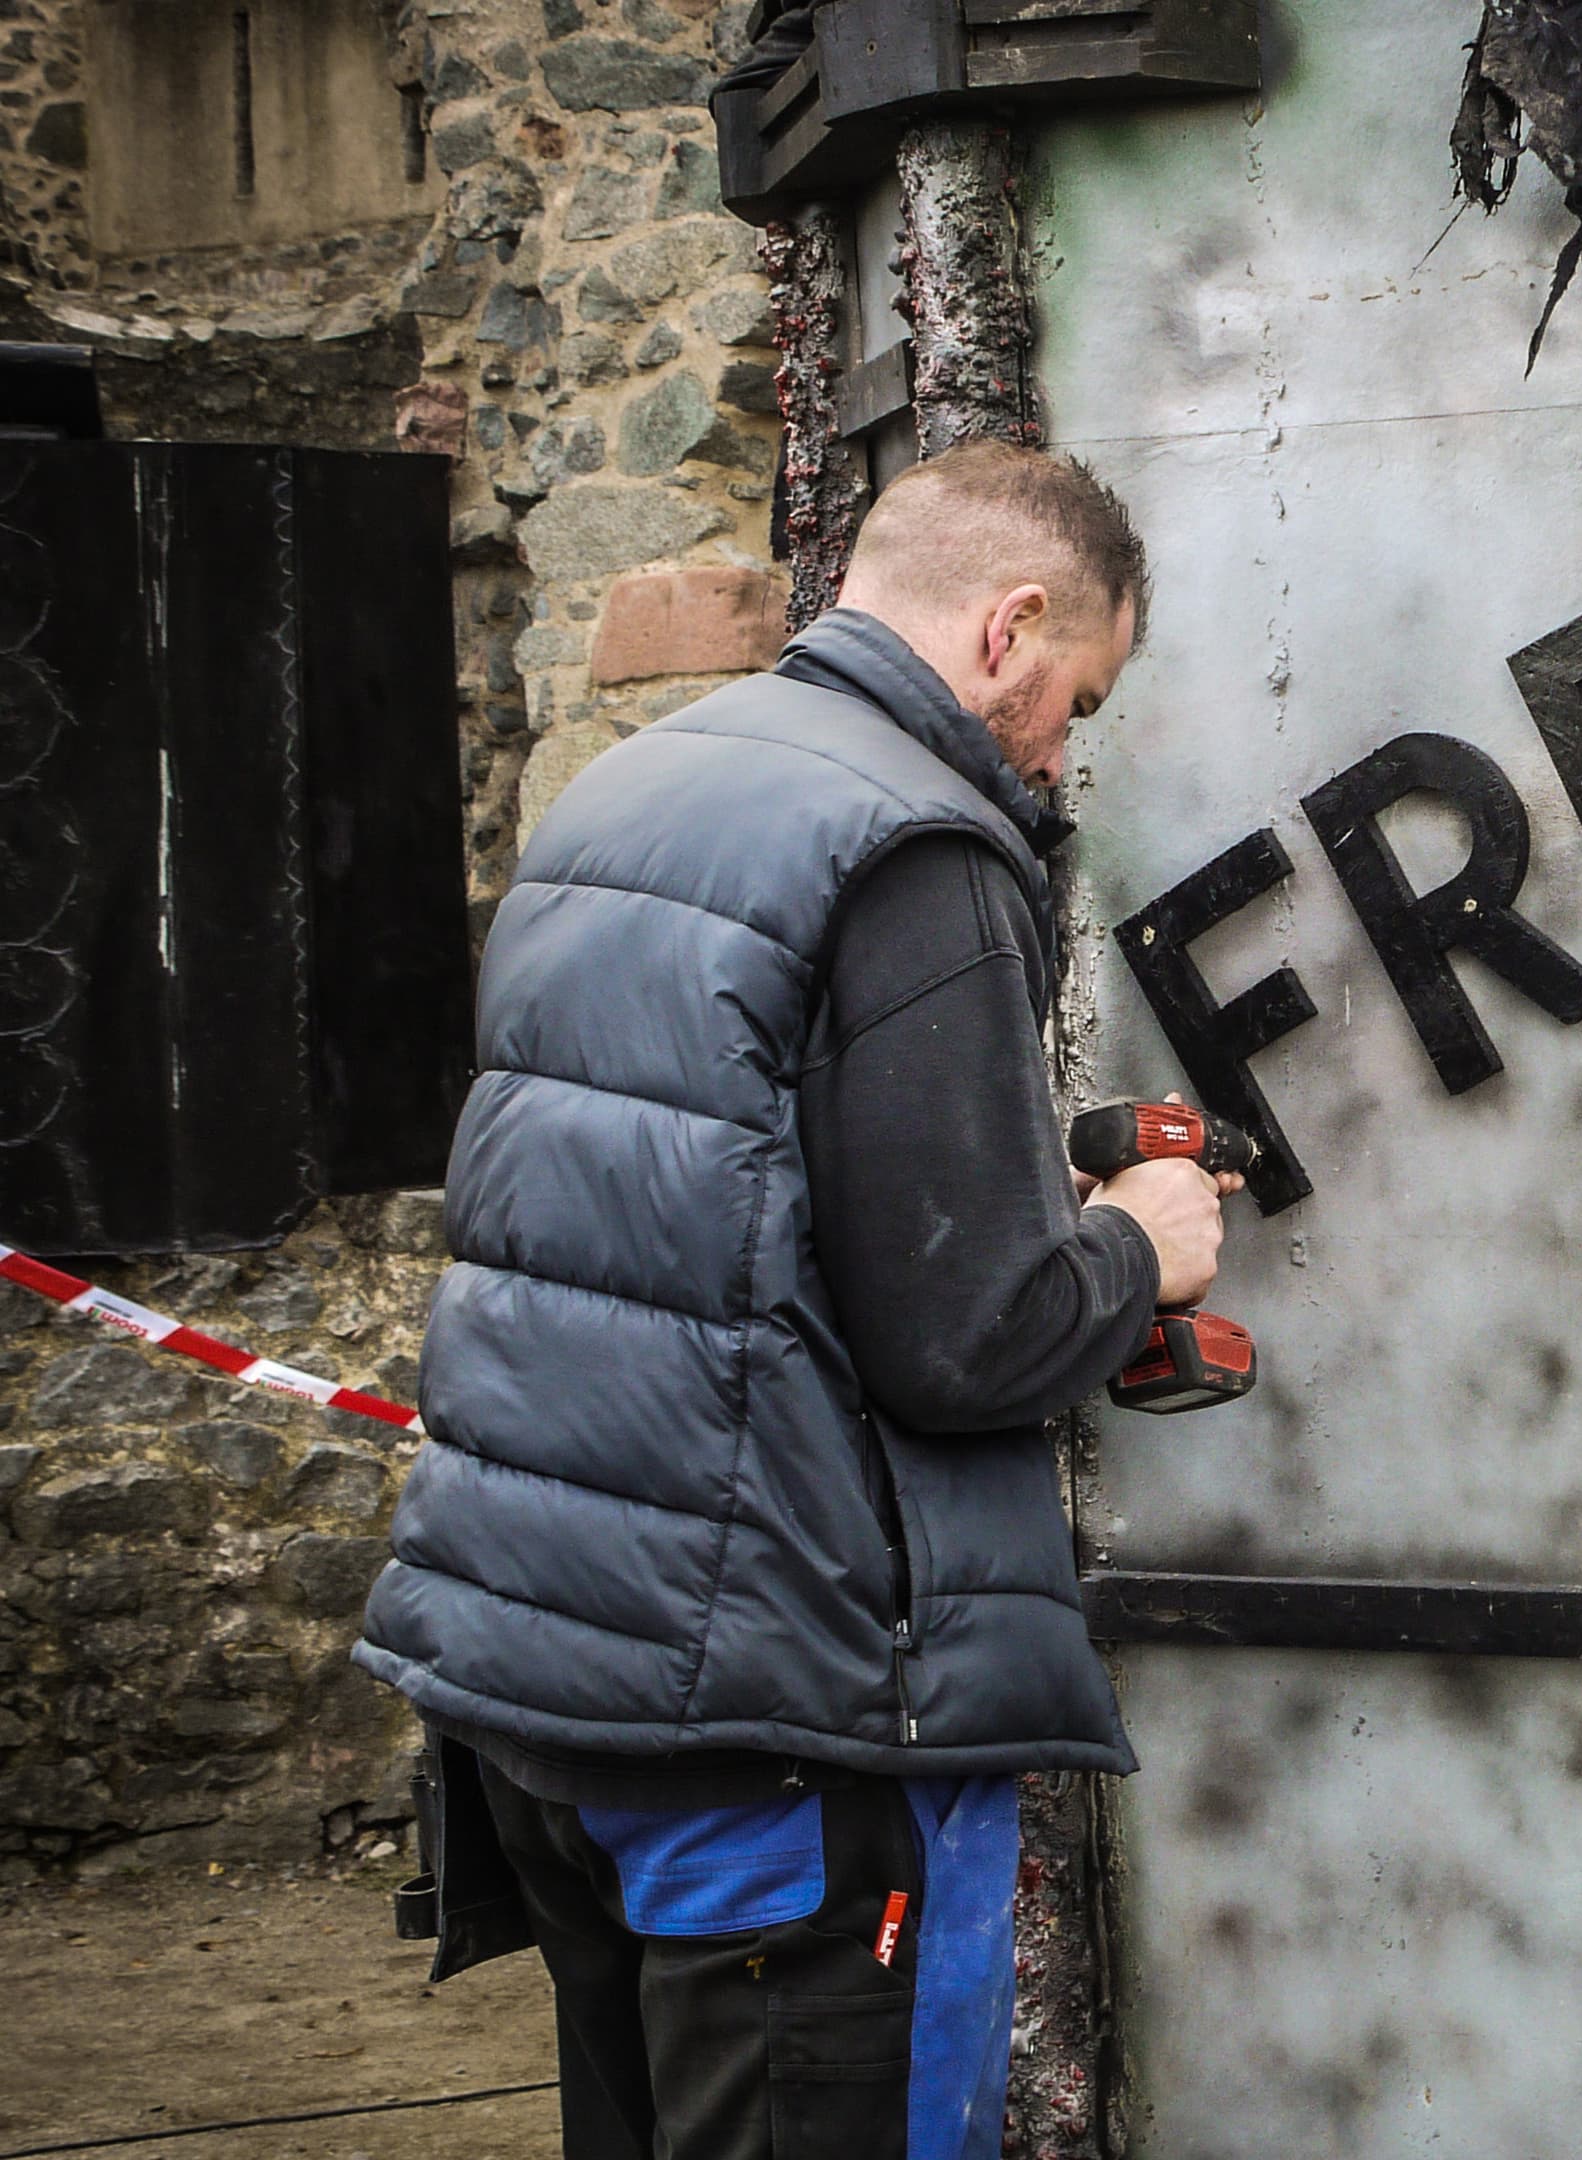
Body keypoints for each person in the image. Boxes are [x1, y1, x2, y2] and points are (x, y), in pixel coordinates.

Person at [354, 440, 1231, 2160]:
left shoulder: (629, 792)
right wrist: (1138, 1243)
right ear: (1010, 626)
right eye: (1080, 695)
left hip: (553, 1690)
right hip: (787, 1722)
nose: (1068, 746)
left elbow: (716, 1214)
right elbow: (967, 1338)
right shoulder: (920, 844)